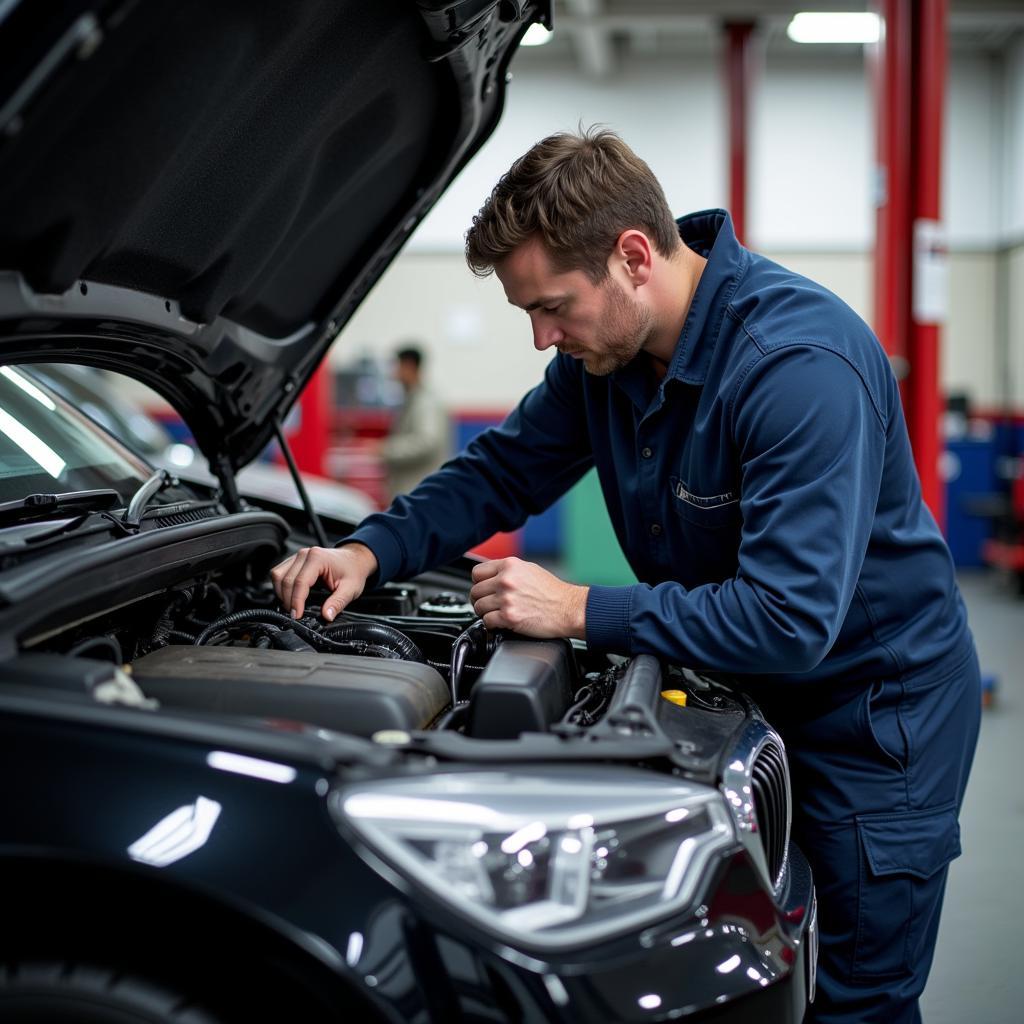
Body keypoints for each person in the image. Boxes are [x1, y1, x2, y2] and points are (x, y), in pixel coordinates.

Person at [272, 129, 980, 1024]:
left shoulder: (798, 369)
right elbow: (501, 469)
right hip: (747, 697)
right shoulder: (608, 360)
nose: (541, 337)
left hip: (874, 719)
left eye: (553, 306)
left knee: (854, 1000)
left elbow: (789, 620)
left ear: (633, 257)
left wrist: (576, 608)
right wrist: (369, 549)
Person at [378, 344, 451, 499]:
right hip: (414, 492)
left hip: (419, 493)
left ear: (409, 366)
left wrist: (385, 450)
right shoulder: (413, 399)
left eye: (397, 366)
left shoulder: (426, 402)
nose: (394, 373)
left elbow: (426, 442)